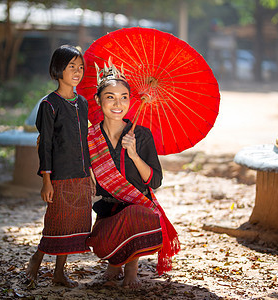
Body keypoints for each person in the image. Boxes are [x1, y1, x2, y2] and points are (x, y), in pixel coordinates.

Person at [86, 61, 180, 289]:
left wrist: (134, 154)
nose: (118, 103)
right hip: (106, 209)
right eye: (110, 97)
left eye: (124, 97)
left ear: (130, 100)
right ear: (98, 100)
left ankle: (131, 270)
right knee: (101, 244)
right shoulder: (90, 137)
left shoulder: (141, 134)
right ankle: (114, 264)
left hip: (137, 208)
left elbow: (154, 181)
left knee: (138, 215)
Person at [25, 45, 92, 288]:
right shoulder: (49, 105)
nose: (77, 71)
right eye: (71, 66)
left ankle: (59, 273)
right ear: (57, 69)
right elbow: (46, 145)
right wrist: (46, 180)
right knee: (56, 223)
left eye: (80, 67)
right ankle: (36, 260)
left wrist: (90, 174)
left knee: (74, 224)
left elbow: (84, 141)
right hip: (59, 176)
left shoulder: (82, 103)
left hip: (81, 175)